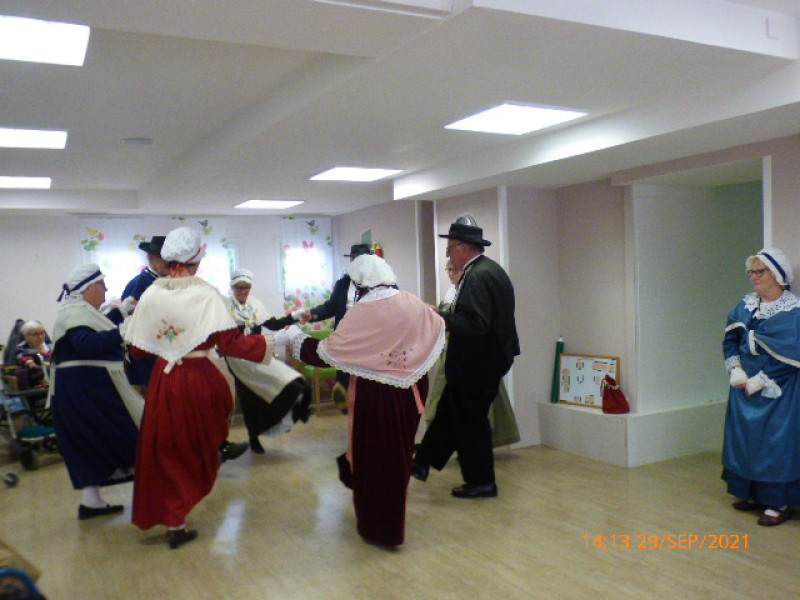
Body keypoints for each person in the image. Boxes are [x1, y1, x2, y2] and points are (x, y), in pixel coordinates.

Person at [124, 227, 272, 549]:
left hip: (164, 378)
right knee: (197, 448)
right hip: (199, 378)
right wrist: (269, 343)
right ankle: (182, 508)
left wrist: (169, 342)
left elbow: (137, 349)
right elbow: (230, 343)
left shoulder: (151, 293)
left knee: (167, 448)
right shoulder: (206, 294)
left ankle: (175, 520)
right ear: (196, 260)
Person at [287, 254, 445, 546]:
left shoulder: (362, 311)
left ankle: (380, 527)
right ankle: (391, 521)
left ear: (360, 284)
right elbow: (437, 324)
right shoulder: (411, 301)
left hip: (376, 395)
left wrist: (296, 339)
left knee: (373, 457)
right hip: (410, 393)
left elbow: (329, 351)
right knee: (398, 456)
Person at [413, 216, 520, 498]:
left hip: (479, 362)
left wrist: (440, 318)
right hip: (482, 360)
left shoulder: (478, 275)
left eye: (449, 249)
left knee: (471, 422)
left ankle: (482, 481)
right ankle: (422, 463)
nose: (448, 254)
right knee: (451, 410)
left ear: (463, 247)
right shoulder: (489, 270)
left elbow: (476, 323)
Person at [49, 263, 143, 520]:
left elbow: (95, 331)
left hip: (84, 389)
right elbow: (86, 344)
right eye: (102, 284)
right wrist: (123, 331)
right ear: (88, 288)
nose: (106, 289)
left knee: (89, 443)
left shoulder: (78, 312)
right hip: (89, 390)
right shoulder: (74, 314)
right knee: (129, 433)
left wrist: (121, 314)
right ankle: (152, 493)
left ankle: (91, 502)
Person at [722, 247, 800, 526]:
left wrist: (762, 379)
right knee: (745, 441)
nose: (753, 277)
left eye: (760, 271)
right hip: (743, 385)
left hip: (779, 388)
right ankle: (750, 492)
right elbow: (730, 340)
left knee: (774, 445)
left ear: (777, 275)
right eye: (751, 272)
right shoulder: (745, 306)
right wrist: (736, 369)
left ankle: (778, 502)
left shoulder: (794, 313)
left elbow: (794, 355)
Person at [422, 262, 521, 448]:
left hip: (475, 356)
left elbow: (475, 324)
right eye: (449, 270)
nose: (451, 274)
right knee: (447, 399)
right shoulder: (452, 292)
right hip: (455, 352)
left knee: (474, 404)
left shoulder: (475, 290)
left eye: (455, 270)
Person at [224, 269, 311, 453]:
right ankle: (254, 438)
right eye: (240, 288)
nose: (244, 291)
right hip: (237, 358)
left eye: (247, 288)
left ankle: (295, 412)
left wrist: (293, 317)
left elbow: (272, 325)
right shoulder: (225, 306)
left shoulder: (256, 304)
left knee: (291, 381)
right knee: (249, 398)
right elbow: (220, 334)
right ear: (232, 287)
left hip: (256, 351)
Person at [302, 243, 374, 411]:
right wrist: (312, 314)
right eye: (354, 259)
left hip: (370, 345)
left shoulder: (383, 283)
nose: (357, 263)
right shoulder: (343, 283)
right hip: (345, 343)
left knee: (367, 391)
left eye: (361, 260)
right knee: (345, 390)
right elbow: (331, 307)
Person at [121, 235, 168, 392]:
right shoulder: (140, 283)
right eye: (165, 259)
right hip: (147, 348)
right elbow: (129, 314)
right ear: (152, 259)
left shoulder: (170, 282)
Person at [14, 320, 52, 389]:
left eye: (42, 333)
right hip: (38, 383)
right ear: (26, 336)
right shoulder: (22, 349)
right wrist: (48, 365)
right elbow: (28, 362)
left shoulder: (51, 346)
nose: (40, 337)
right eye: (35, 334)